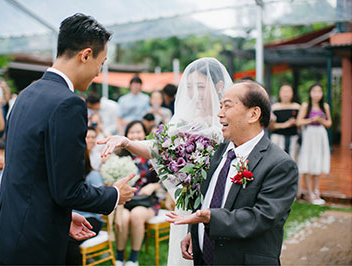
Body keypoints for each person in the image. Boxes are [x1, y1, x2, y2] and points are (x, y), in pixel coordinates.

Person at [0, 13, 136, 264]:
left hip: (9, 235)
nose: (99, 73)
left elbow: (30, 174)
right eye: (101, 63)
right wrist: (113, 195)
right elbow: (68, 190)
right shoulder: (68, 104)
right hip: (33, 247)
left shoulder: (26, 94)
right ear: (86, 55)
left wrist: (64, 217)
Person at [99, 57, 232, 266]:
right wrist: (127, 142)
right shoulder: (181, 121)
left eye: (200, 86)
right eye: (189, 87)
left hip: (219, 207)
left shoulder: (228, 121)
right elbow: (155, 148)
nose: (194, 93)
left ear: (219, 86)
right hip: (187, 207)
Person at [165, 81, 299, 265]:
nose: (219, 114)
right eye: (220, 107)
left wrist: (211, 218)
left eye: (227, 106)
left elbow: (261, 218)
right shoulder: (217, 152)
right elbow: (206, 198)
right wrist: (194, 233)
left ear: (253, 114)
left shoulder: (280, 164)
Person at [114, 121, 160, 266]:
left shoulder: (151, 155)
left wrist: (153, 186)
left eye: (138, 132)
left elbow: (164, 181)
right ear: (126, 135)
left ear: (145, 134)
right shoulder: (119, 157)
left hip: (146, 201)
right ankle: (120, 257)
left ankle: (133, 258)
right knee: (125, 217)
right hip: (124, 201)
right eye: (131, 132)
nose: (135, 135)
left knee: (137, 215)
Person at [65, 151, 105, 265]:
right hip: (71, 217)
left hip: (91, 218)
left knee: (68, 242)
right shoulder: (66, 178)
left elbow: (98, 201)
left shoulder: (93, 175)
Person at [297, 84, 332, 205]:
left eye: (319, 91)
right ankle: (309, 192)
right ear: (310, 93)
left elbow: (329, 123)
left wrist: (321, 120)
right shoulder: (306, 106)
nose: (317, 94)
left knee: (318, 162)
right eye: (314, 91)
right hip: (309, 134)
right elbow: (299, 121)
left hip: (320, 135)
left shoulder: (325, 106)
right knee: (308, 162)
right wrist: (312, 120)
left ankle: (316, 190)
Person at [269, 84, 301, 162]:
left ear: (292, 93)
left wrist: (296, 122)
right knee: (277, 160)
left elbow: (301, 124)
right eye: (284, 91)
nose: (286, 94)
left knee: (293, 160)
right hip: (278, 139)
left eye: (288, 91)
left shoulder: (297, 107)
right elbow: (270, 127)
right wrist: (285, 125)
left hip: (293, 138)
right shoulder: (274, 107)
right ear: (279, 93)